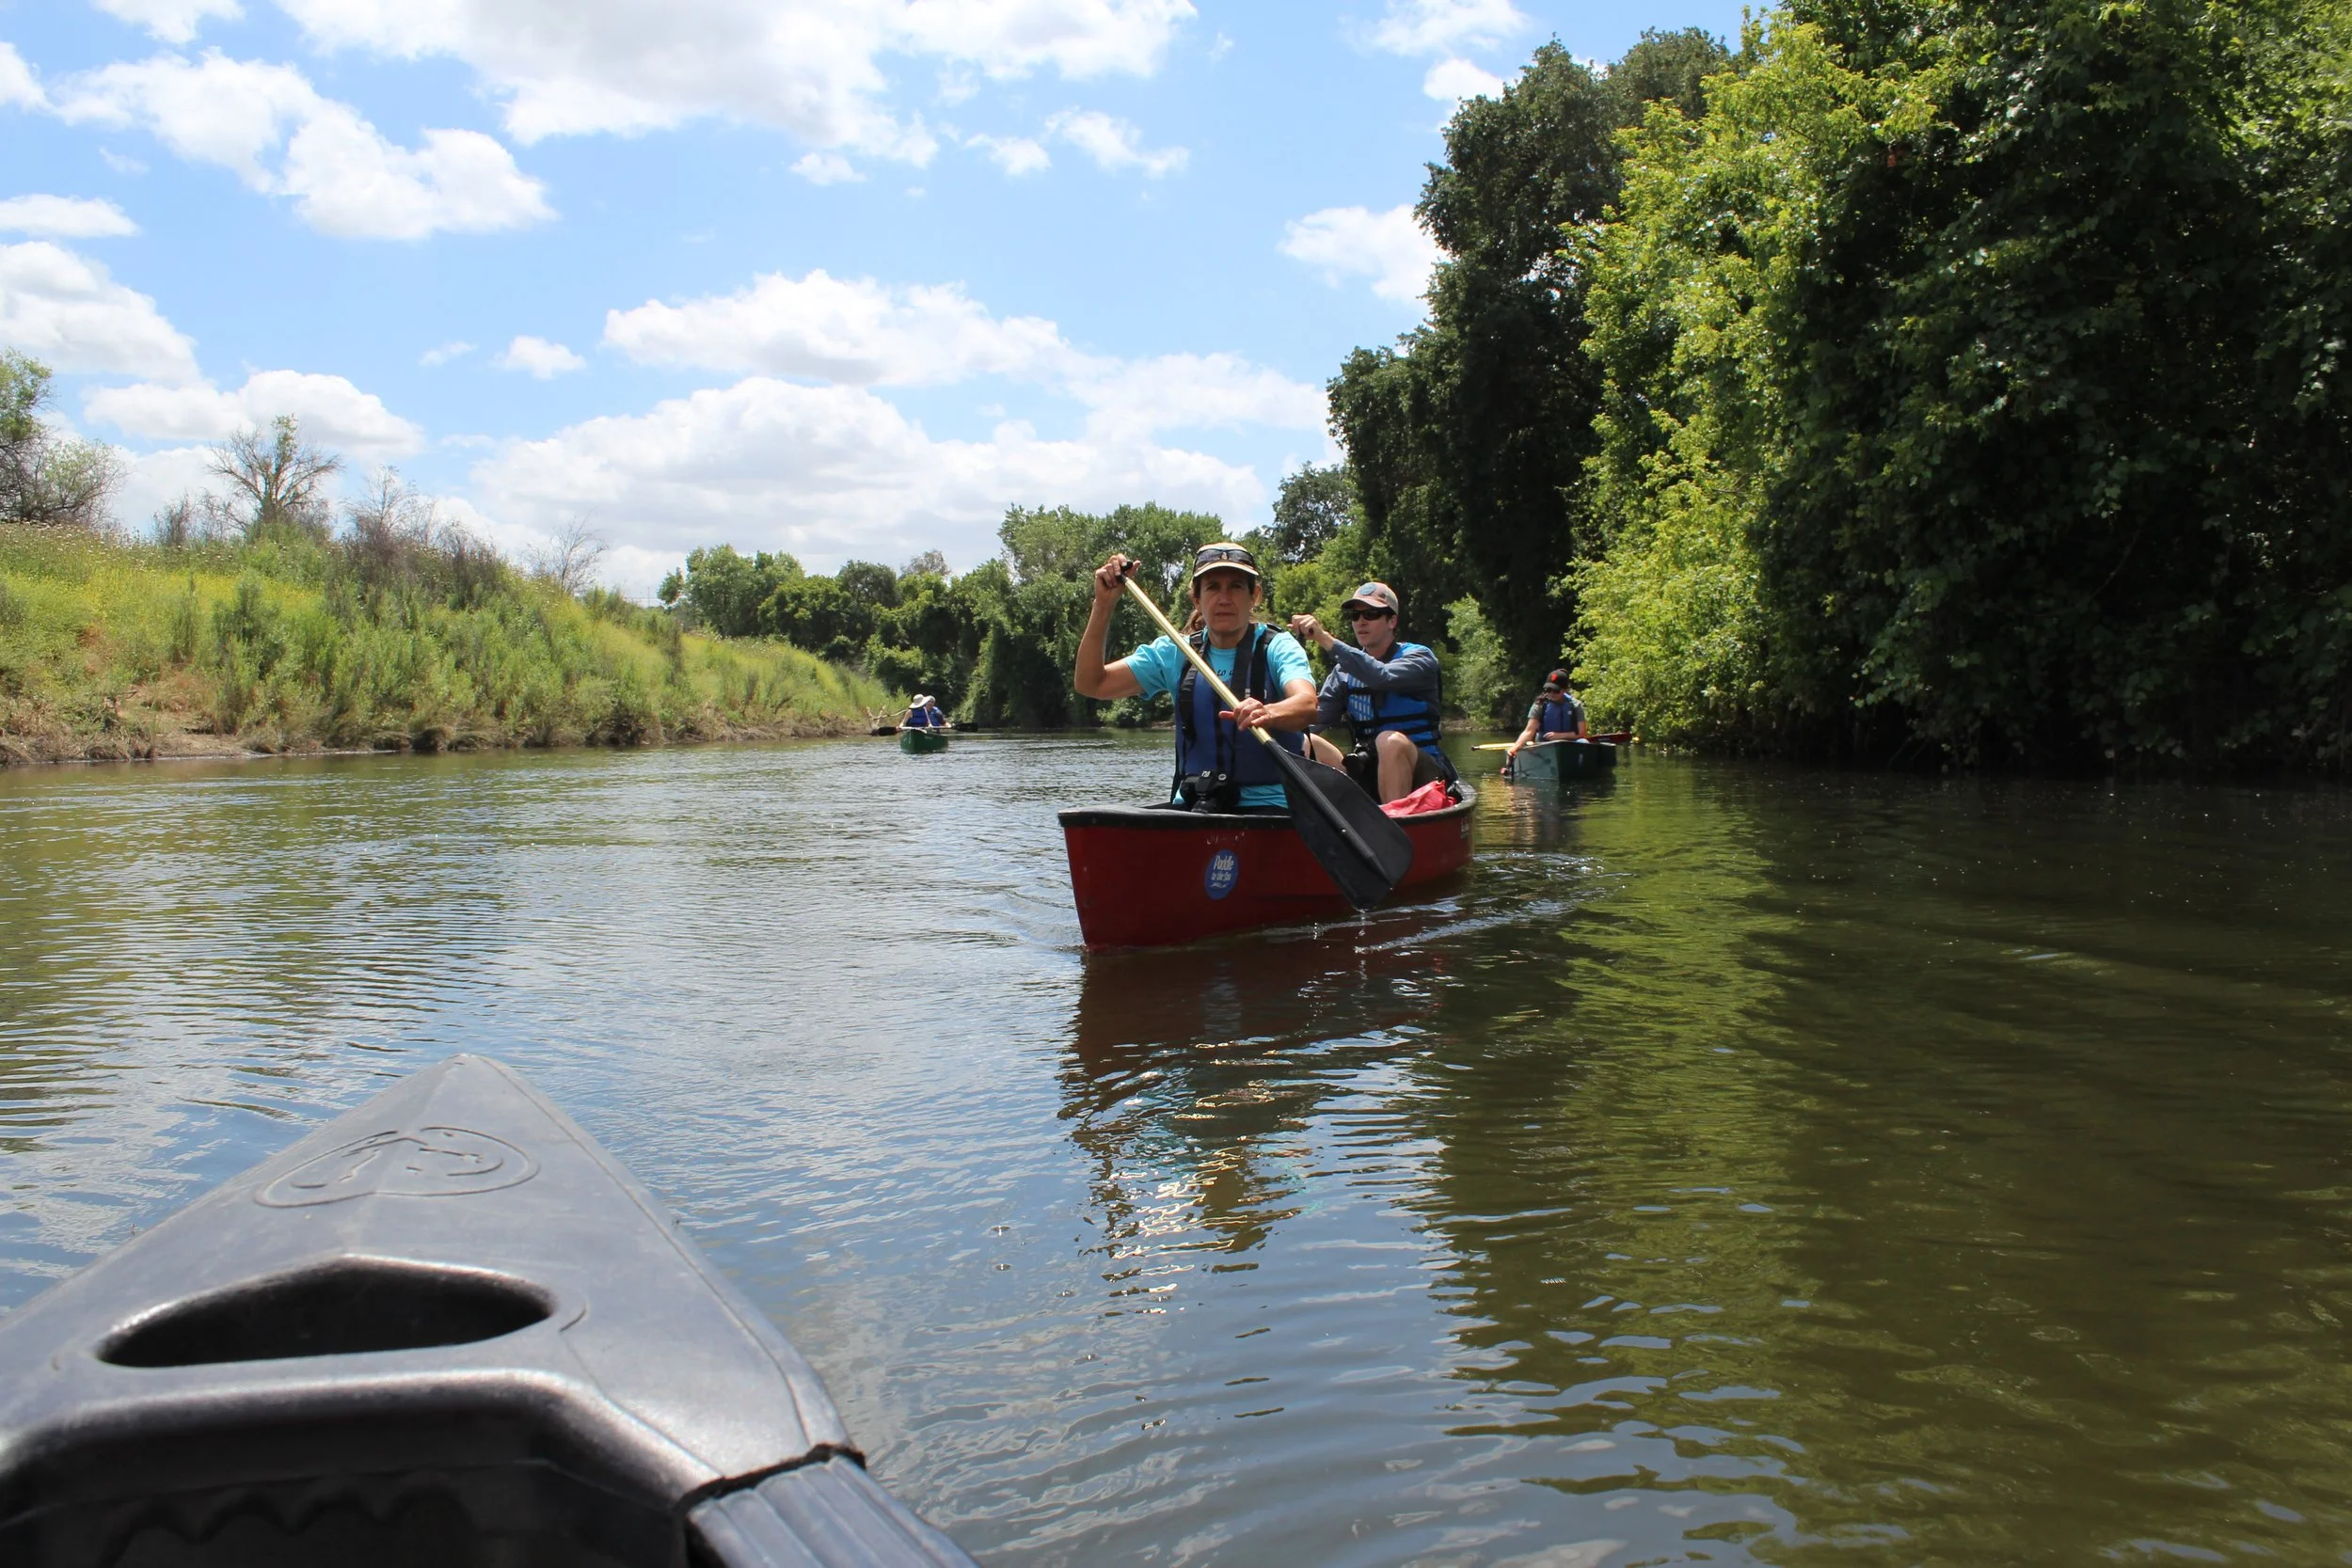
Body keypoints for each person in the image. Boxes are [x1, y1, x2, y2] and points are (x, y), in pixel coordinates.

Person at [1073, 543, 1319, 813]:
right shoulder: (1174, 652)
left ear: (1254, 596)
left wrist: (1268, 713)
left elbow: (1306, 704)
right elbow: (1091, 683)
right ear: (1196, 599)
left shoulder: (1278, 646)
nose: (1224, 598)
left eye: (1236, 586)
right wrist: (1103, 605)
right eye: (1213, 587)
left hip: (1274, 808)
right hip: (1195, 807)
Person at [1290, 581, 1457, 803]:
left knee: (1390, 741)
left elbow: (1381, 676)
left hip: (1425, 777)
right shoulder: (1344, 673)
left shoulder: (1419, 658)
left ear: (1392, 621)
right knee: (1302, 739)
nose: (1361, 621)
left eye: (1371, 614)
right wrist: (1271, 717)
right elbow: (1313, 719)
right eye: (1355, 616)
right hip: (1367, 770)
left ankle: (1395, 819)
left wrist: (1324, 638)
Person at [1504, 670, 1586, 761]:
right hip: (1545, 746)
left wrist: (1560, 736)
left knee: (1584, 742)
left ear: (1565, 689)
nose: (1551, 693)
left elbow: (1581, 734)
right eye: (1548, 690)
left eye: (1556, 690)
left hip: (1570, 746)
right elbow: (1529, 732)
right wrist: (1514, 748)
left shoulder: (1575, 705)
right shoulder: (1540, 705)